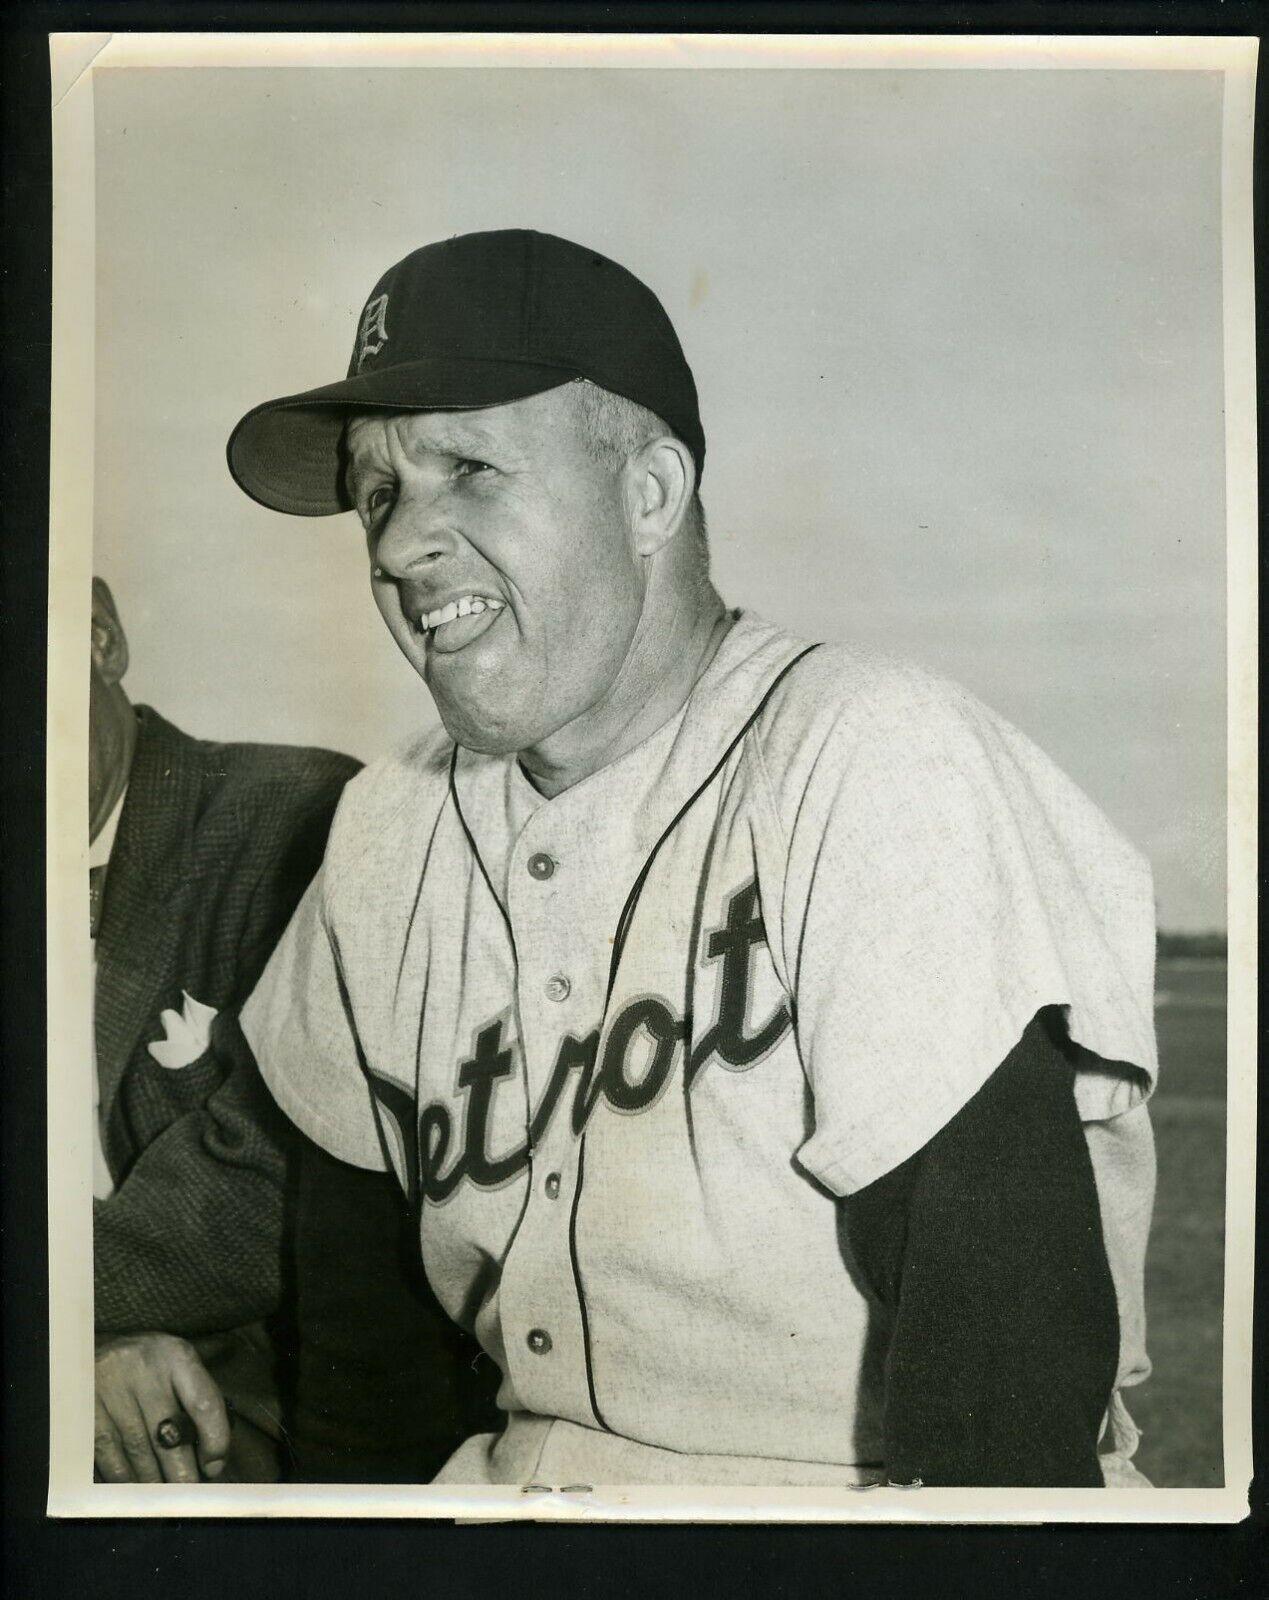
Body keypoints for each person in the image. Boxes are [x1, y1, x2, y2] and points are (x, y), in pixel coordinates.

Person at [225, 229, 1158, 1488]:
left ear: (650, 494)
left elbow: (1004, 1397)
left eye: (469, 467)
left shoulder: (868, 757)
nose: (396, 545)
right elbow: (364, 1373)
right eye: (379, 489)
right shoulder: (387, 828)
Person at [89, 575, 365, 1482]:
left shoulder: (300, 813)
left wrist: (48, 1318)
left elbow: (274, 1179)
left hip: (237, 1404)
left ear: (100, 637)